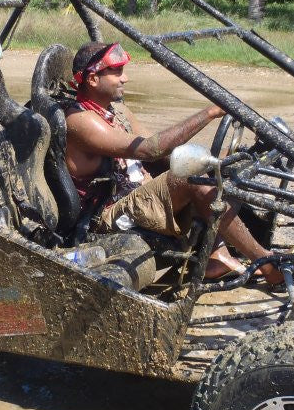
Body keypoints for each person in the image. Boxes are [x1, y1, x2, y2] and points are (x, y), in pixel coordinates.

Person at [64, 41, 282, 284]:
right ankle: (268, 264)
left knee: (217, 169)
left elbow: (163, 152)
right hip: (109, 214)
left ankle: (217, 255)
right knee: (189, 179)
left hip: (139, 194)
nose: (125, 79)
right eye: (117, 72)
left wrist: (218, 162)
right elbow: (150, 149)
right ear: (93, 80)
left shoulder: (117, 112)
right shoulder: (80, 120)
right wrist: (209, 112)